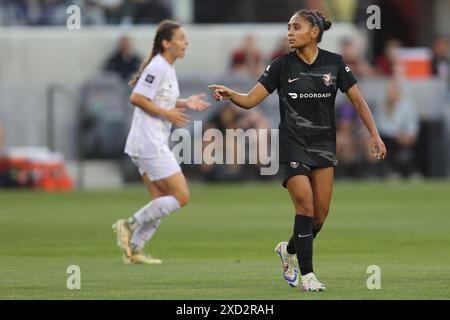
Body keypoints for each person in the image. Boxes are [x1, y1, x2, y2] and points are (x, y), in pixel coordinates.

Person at [209, 9, 386, 292]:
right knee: (304, 206)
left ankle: (287, 250)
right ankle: (308, 277)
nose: (289, 32)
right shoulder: (281, 66)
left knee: (319, 217)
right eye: (288, 27)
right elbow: (251, 100)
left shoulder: (335, 64)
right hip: (293, 145)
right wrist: (232, 95)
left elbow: (358, 101)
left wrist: (374, 134)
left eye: (296, 27)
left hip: (323, 146)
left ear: (314, 32)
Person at [112, 20, 210, 265]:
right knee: (181, 196)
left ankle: (134, 249)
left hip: (145, 141)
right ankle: (127, 225)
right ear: (166, 43)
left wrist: (184, 102)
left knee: (160, 200)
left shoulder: (167, 66)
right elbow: (137, 98)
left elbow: (161, 98)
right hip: (149, 141)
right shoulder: (158, 66)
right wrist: (168, 114)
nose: (185, 42)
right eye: (181, 38)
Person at [376, 80, 419, 178]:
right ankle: (392, 170)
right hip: (390, 136)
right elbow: (381, 125)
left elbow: (412, 121)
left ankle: (413, 171)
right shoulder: (383, 105)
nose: (391, 94)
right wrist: (397, 134)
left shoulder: (407, 104)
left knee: (419, 140)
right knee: (388, 142)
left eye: (393, 92)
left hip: (406, 135)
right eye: (389, 92)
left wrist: (410, 134)